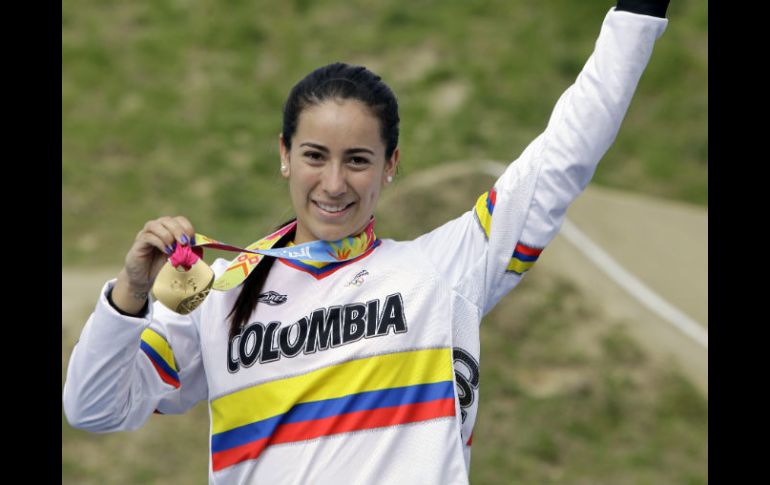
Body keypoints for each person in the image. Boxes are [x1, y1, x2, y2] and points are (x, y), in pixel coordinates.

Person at [63, 1, 670, 483]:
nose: (334, 184)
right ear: (284, 155)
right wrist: (131, 292)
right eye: (314, 156)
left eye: (357, 160)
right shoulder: (219, 293)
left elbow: (565, 154)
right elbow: (92, 408)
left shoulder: (444, 270)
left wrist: (637, 13)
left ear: (391, 165)